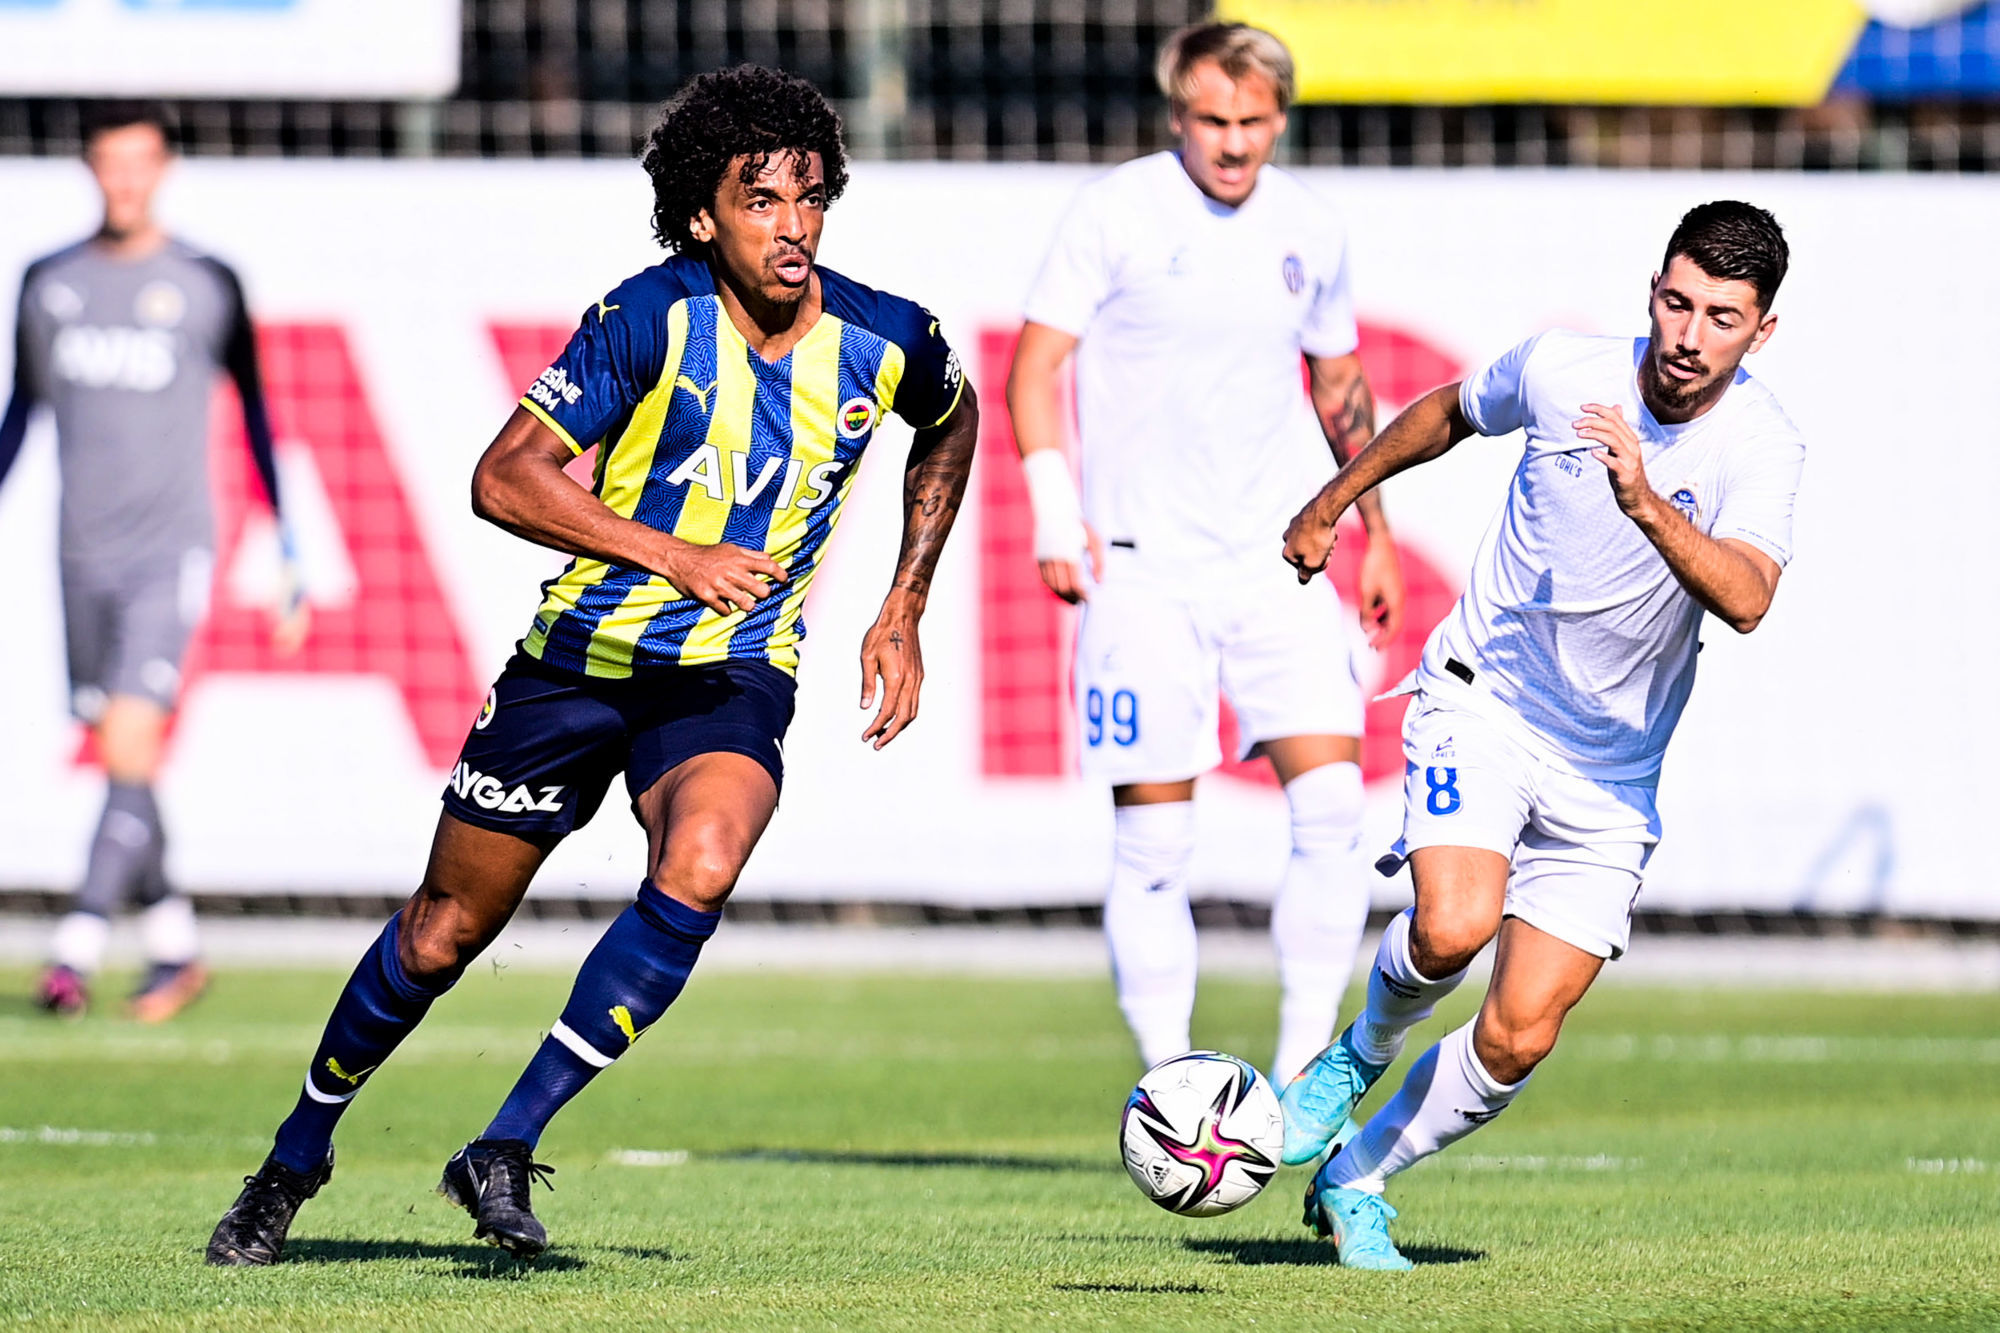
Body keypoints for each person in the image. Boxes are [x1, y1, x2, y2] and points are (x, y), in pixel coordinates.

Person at [205, 65, 976, 1268]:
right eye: (760, 200)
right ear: (703, 216)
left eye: (809, 196)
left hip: (726, 670)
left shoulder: (887, 337)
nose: (792, 226)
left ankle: (504, 1144)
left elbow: (951, 416)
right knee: (442, 934)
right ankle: (294, 1155)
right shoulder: (646, 319)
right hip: (577, 663)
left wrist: (905, 599)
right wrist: (674, 554)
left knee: (703, 860)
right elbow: (502, 476)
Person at [1276, 201, 1803, 1269]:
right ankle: (1356, 1053)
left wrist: (1646, 502)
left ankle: (1356, 1175)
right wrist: (1333, 501)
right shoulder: (1564, 370)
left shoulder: (1763, 444)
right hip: (1486, 702)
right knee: (1452, 925)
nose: (1687, 335)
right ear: (1652, 291)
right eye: (1676, 303)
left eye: (1720, 318)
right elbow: (1447, 410)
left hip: (1611, 772)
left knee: (1519, 1033)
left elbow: (1747, 597)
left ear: (1761, 330)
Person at [1006, 21, 1404, 1087]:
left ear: (1280, 119)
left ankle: (1300, 1066)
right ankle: (1172, 1085)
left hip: (1277, 566)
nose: (1232, 142)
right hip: (1141, 572)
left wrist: (1373, 532)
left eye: (1252, 121)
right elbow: (1034, 369)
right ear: (1178, 114)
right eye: (1212, 119)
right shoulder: (1115, 212)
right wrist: (1053, 510)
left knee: (1333, 808)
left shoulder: (1310, 229)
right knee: (1153, 844)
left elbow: (1340, 387)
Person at [0, 101, 304, 1023]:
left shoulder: (207, 281)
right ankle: (175, 944)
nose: (124, 179)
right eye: (108, 162)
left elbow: (256, 413)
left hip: (170, 551)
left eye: (139, 162)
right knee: (120, 758)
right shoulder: (48, 281)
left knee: (129, 742)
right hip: (78, 554)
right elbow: (21, 413)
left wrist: (287, 543)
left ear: (163, 169)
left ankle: (76, 944)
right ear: (90, 169)